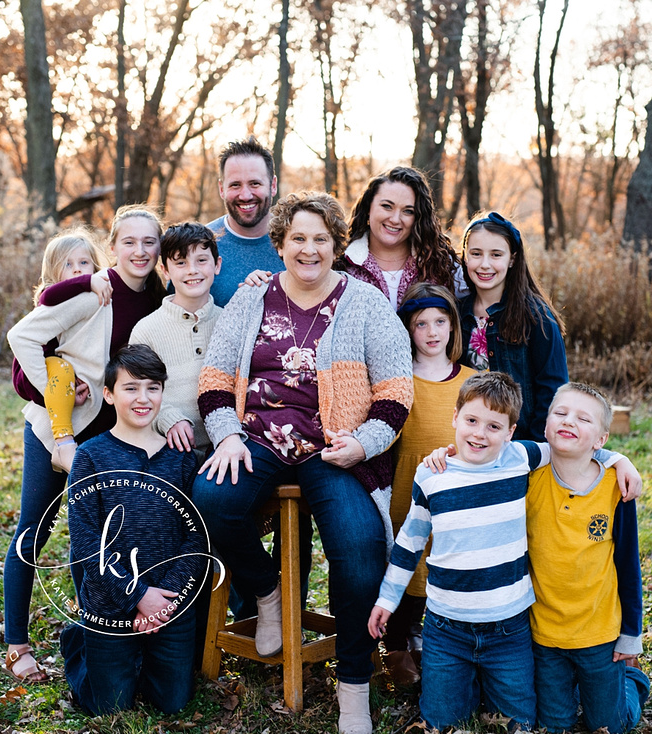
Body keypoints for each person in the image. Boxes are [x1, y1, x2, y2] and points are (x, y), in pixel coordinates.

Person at [193, 191, 414, 734]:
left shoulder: (365, 303)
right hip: (258, 440)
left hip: (335, 449)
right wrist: (225, 437)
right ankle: (269, 595)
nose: (309, 249)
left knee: (360, 549)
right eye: (298, 239)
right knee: (212, 501)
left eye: (321, 239)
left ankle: (353, 690)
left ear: (337, 245)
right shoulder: (252, 299)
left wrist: (363, 443)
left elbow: (395, 392)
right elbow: (217, 379)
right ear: (281, 243)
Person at [369, 372, 641, 731]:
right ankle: (465, 685)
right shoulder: (432, 474)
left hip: (508, 629)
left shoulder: (519, 460)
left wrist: (619, 459)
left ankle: (621, 683)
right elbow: (409, 541)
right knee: (443, 722)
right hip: (446, 626)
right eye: (471, 421)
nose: (480, 433)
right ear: (455, 417)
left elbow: (573, 446)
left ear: (512, 432)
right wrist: (387, 600)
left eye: (494, 426)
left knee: (520, 725)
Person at [2, 207, 165, 683]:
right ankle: (17, 646)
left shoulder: (157, 296)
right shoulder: (96, 291)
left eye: (149, 243)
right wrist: (54, 397)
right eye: (129, 242)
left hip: (110, 436)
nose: (139, 251)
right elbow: (22, 335)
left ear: (158, 249)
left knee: (101, 540)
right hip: (57, 431)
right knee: (34, 529)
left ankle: (99, 637)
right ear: (112, 247)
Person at [60, 344, 208, 715]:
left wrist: (163, 600)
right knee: (107, 707)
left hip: (169, 603)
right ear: (109, 395)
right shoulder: (91, 457)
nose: (143, 398)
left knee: (172, 703)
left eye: (152, 388)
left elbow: (196, 537)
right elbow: (85, 540)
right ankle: (79, 640)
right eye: (131, 388)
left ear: (162, 392)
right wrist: (137, 594)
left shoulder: (182, 458)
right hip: (110, 603)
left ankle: (145, 656)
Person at [526, 383, 650, 733]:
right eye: (560, 413)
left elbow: (628, 566)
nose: (569, 422)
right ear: (546, 424)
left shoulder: (616, 488)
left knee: (610, 725)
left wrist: (630, 634)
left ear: (601, 439)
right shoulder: (528, 479)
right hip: (545, 635)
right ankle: (583, 686)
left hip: (600, 635)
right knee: (555, 725)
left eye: (583, 418)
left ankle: (632, 681)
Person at [381, 282, 476, 685]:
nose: (433, 332)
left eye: (441, 321)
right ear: (409, 329)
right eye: (422, 324)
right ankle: (398, 649)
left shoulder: (471, 381)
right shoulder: (398, 380)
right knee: (408, 570)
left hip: (457, 498)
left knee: (445, 570)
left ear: (454, 326)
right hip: (409, 492)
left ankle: (441, 648)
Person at [458, 211, 567, 441]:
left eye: (496, 254)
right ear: (465, 257)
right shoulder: (456, 314)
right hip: (468, 443)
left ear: (512, 259)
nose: (485, 264)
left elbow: (553, 389)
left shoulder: (536, 317)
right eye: (476, 254)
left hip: (517, 446)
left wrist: (535, 448)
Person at [12, 232, 111, 475]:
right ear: (54, 272)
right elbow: (49, 295)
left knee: (65, 371)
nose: (77, 270)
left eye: (84, 263)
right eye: (68, 264)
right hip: (36, 369)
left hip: (59, 374)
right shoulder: (53, 293)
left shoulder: (90, 298)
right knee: (63, 369)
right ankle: (64, 441)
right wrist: (89, 282)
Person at [129, 222, 222, 458]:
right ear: (166, 271)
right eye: (181, 263)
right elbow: (136, 395)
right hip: (166, 448)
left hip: (224, 446)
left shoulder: (229, 322)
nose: (192, 270)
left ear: (217, 265)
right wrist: (167, 418)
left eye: (201, 260)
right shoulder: (146, 330)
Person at [337, 166, 466, 309]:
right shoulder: (341, 264)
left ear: (418, 217)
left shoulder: (441, 265)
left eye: (408, 211)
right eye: (387, 206)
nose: (395, 219)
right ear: (368, 207)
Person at [207, 136, 284, 306]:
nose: (245, 195)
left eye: (255, 183)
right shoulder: (201, 244)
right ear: (221, 189)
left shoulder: (298, 244)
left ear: (273, 185)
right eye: (235, 185)